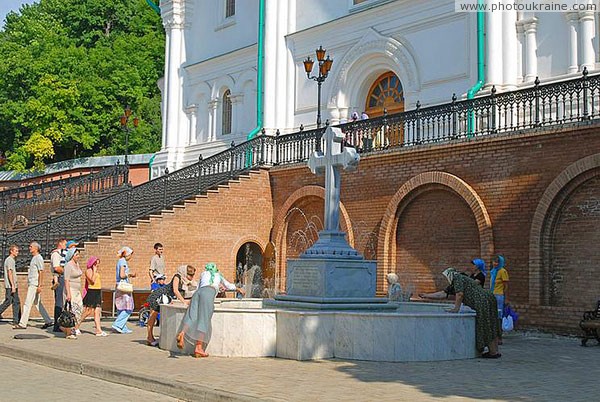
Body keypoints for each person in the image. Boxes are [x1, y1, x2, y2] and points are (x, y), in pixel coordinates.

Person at [176, 263, 244, 357]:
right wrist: (238, 289)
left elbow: (198, 288)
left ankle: (182, 333)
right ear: (215, 269)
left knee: (192, 315)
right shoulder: (218, 275)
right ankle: (198, 348)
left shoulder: (203, 274)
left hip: (198, 293)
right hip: (208, 293)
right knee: (204, 320)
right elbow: (228, 285)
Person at [442, 267, 501, 358]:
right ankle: (495, 351)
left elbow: (460, 294)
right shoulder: (462, 278)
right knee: (491, 323)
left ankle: (493, 352)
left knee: (485, 324)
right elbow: (443, 293)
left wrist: (456, 309)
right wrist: (425, 295)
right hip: (488, 296)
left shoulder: (457, 278)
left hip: (481, 300)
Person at [146, 265, 197, 346]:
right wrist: (184, 302)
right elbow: (175, 290)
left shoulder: (184, 280)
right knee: (152, 317)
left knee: (154, 317)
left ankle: (150, 337)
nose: (192, 277)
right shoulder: (177, 277)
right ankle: (149, 337)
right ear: (185, 273)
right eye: (190, 275)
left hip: (166, 298)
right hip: (159, 296)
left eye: (193, 275)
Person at [14, 242, 53, 329]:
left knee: (27, 303)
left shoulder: (38, 258)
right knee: (37, 303)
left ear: (36, 248)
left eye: (31, 246)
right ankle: (48, 321)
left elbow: (41, 272)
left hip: (34, 284)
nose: (29, 248)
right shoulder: (34, 258)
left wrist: (40, 285)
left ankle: (22, 323)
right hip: (33, 283)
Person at [78, 256, 107, 337]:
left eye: (98, 263)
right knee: (88, 311)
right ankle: (76, 326)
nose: (97, 265)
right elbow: (92, 281)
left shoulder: (96, 271)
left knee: (97, 312)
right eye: (95, 263)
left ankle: (98, 330)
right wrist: (94, 271)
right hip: (92, 292)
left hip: (97, 291)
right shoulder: (88, 271)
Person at [111, 246, 136, 334]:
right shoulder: (123, 262)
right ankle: (118, 324)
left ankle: (122, 327)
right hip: (124, 287)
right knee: (129, 307)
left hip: (119, 286)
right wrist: (130, 274)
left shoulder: (120, 261)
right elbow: (122, 275)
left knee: (121, 307)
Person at [61, 248, 83, 339]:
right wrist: (68, 293)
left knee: (79, 309)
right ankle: (69, 332)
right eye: (76, 254)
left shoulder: (77, 264)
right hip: (71, 290)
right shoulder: (68, 265)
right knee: (71, 310)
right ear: (72, 255)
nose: (78, 256)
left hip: (77, 290)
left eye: (78, 254)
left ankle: (73, 328)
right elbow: (66, 280)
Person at [490, 254, 509, 344]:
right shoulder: (493, 271)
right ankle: (494, 336)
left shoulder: (502, 271)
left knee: (498, 317)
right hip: (492, 295)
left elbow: (505, 285)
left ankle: (499, 337)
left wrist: (505, 297)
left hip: (499, 296)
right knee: (493, 316)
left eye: (497, 262)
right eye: (494, 261)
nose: (495, 263)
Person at [0, 245, 21, 324]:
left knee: (12, 301)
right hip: (11, 286)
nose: (17, 252)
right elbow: (10, 273)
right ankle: (16, 320)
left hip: (11, 285)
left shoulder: (10, 260)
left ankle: (17, 320)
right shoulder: (10, 260)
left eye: (17, 251)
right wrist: (13, 285)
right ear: (11, 251)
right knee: (12, 302)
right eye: (16, 251)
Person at [49, 238, 67, 332]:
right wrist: (66, 271)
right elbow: (56, 267)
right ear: (60, 243)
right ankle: (57, 325)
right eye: (64, 243)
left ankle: (61, 323)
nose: (66, 245)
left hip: (62, 277)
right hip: (60, 277)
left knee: (62, 302)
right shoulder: (56, 254)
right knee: (59, 302)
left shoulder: (62, 253)